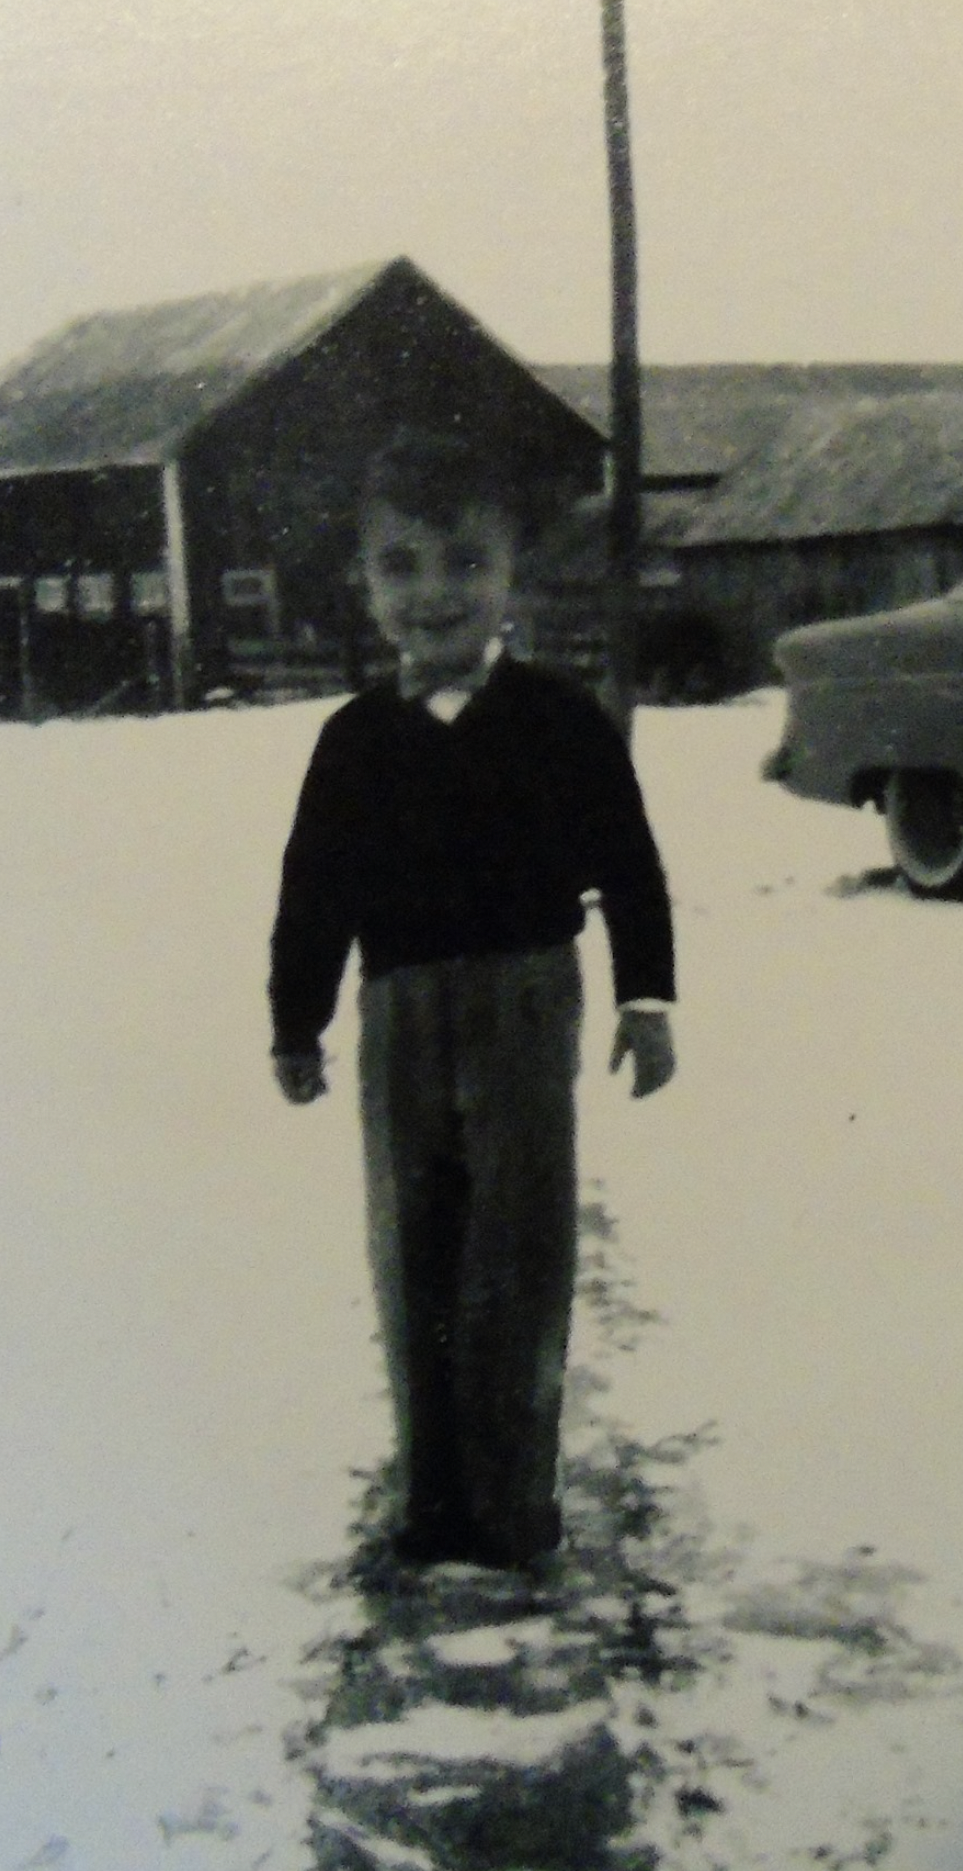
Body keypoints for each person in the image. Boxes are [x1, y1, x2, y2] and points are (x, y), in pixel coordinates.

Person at [270, 429, 677, 1571]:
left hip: (525, 1004)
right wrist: (295, 1023)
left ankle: (509, 1504)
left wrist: (647, 998)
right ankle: (433, 1495)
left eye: (462, 561)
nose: (432, 592)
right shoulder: (351, 741)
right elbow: (315, 890)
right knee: (413, 1248)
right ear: (365, 580)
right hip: (397, 1013)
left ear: (511, 577)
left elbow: (629, 865)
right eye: (401, 564)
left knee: (518, 1245)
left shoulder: (560, 721)